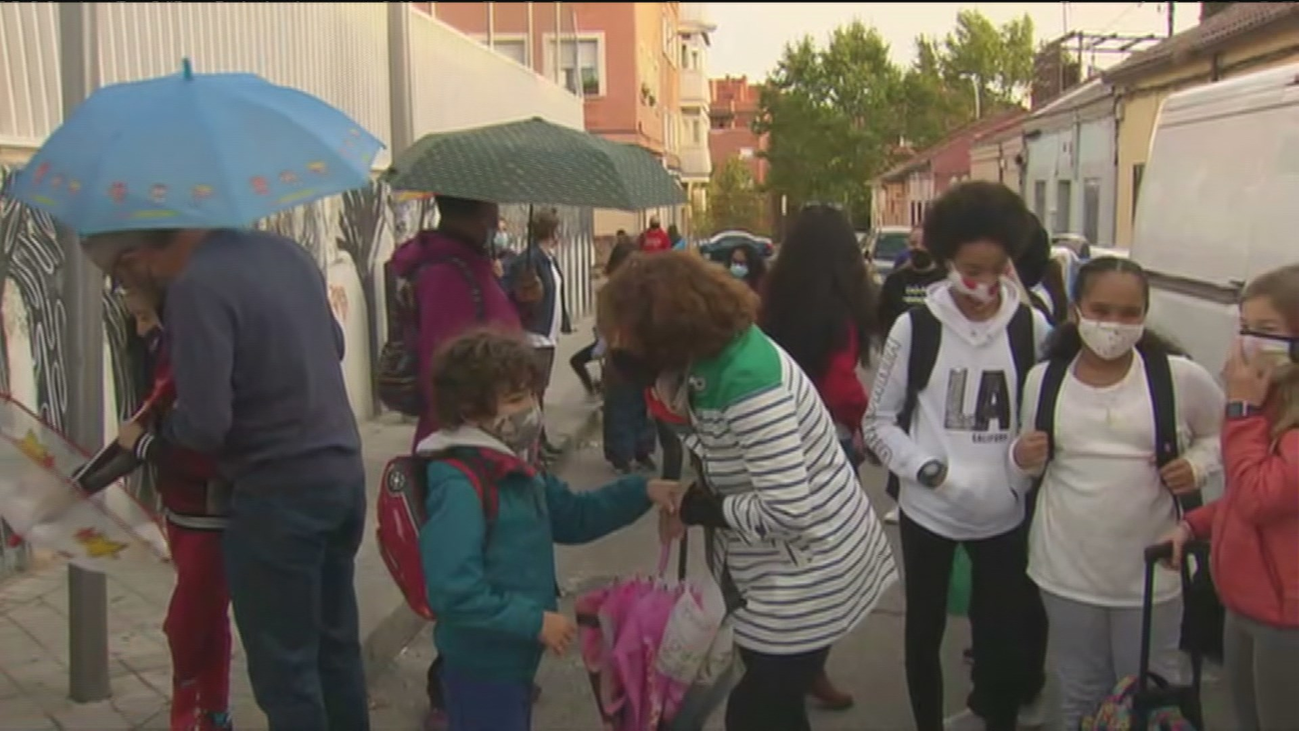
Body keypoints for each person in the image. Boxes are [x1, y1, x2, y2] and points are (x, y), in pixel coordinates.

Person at [600, 252, 898, 731]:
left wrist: (702, 507)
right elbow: (738, 458)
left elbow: (787, 511)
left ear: (671, 333)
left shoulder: (747, 383)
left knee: (757, 714)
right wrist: (693, 491)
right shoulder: (714, 361)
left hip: (804, 575)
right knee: (772, 706)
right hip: (776, 574)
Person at [89, 226, 369, 731]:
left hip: (275, 493)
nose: (127, 287)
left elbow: (204, 427)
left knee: (287, 672)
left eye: (121, 276)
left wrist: (147, 440)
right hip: (342, 472)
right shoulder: (289, 253)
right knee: (335, 651)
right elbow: (336, 344)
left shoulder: (197, 286)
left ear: (137, 256)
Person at [418, 328, 683, 731]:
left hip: (514, 657)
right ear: (471, 411)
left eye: (530, 394)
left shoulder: (514, 466)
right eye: (515, 399)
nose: (531, 408)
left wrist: (643, 491)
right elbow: (454, 590)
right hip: (483, 663)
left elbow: (575, 514)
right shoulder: (459, 484)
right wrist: (534, 622)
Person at [862, 181, 1053, 731]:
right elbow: (877, 422)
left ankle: (996, 716)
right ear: (947, 260)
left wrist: (1025, 459)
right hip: (931, 512)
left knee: (1001, 637)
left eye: (997, 269)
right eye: (971, 268)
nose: (983, 284)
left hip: (1004, 513)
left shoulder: (1030, 328)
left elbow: (1042, 416)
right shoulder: (914, 327)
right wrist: (927, 469)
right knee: (923, 633)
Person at [1014, 257, 1223, 729]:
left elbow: (1221, 436)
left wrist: (1196, 466)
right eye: (1101, 309)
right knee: (1079, 692)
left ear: (1146, 315)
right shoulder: (1043, 380)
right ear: (1076, 311)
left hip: (1152, 573)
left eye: (1130, 313)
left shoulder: (1178, 378)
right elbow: (1026, 463)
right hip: (1065, 570)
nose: (1114, 324)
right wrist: (1019, 458)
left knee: (1149, 691)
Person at [1164, 263, 1299, 731]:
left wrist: (1239, 411)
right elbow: (1246, 494)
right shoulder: (1274, 403)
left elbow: (1262, 497)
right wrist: (1195, 524)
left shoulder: (1268, 415)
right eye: (1244, 327)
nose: (1248, 343)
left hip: (1287, 614)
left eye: (1265, 331)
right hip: (1244, 600)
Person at [758, 204, 878, 711]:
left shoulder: (774, 300)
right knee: (823, 565)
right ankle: (803, 665)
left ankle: (794, 662)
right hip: (824, 440)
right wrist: (867, 425)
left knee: (786, 561)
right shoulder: (838, 310)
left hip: (776, 436)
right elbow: (840, 382)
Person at [121, 286, 233, 731]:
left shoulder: (192, 346)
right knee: (208, 614)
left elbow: (201, 439)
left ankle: (190, 711)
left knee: (188, 620)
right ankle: (215, 711)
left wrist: (144, 443)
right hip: (188, 504)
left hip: (209, 505)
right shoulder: (169, 342)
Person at [504, 208, 572, 459]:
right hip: (535, 335)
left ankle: (541, 442)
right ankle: (536, 446)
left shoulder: (548, 258)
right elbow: (516, 291)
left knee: (540, 391)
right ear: (551, 232)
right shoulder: (530, 260)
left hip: (548, 333)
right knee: (534, 392)